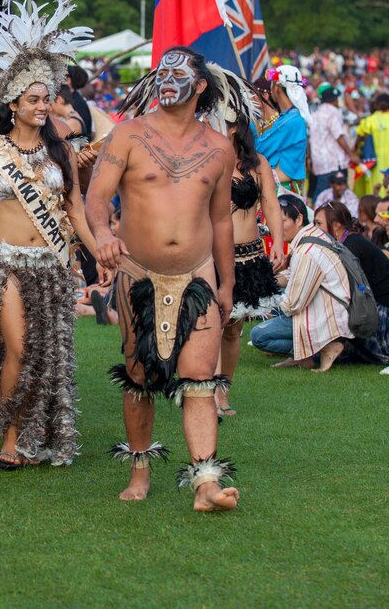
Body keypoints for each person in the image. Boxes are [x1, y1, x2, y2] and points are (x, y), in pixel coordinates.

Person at [0, 0, 109, 468]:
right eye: (33, 99)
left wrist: (101, 255)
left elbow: (75, 212)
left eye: (46, 98)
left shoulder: (61, 153)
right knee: (18, 345)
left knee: (42, 354)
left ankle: (24, 428)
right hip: (2, 261)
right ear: (13, 104)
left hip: (50, 266)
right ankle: (11, 435)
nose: (43, 106)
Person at [86, 46, 239, 512]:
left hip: (198, 276)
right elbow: (97, 198)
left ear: (199, 87)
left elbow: (221, 222)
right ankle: (140, 468)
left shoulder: (219, 148)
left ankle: (206, 484)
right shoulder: (127, 136)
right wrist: (101, 234)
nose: (166, 79)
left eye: (178, 73)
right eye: (162, 72)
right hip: (137, 274)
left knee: (199, 379)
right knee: (140, 375)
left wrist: (227, 283)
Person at [208, 68, 285, 417]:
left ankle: (223, 390)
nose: (221, 129)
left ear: (239, 126)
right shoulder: (206, 162)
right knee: (213, 323)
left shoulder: (258, 164)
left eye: (227, 123)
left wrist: (280, 243)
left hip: (251, 254)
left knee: (233, 328)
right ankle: (203, 389)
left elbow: (271, 203)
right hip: (213, 254)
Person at [313, 202, 389, 369]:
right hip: (382, 312)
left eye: (318, 223)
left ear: (336, 226)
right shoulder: (347, 243)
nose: (314, 229)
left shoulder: (350, 245)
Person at [249, 195, 353, 371]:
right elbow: (289, 277)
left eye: (282, 221)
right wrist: (260, 285)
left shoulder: (307, 251)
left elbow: (293, 304)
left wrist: (258, 304)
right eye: (274, 222)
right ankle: (304, 355)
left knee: (259, 336)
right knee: (268, 301)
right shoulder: (310, 238)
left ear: (299, 219)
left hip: (330, 319)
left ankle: (320, 349)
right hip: (330, 312)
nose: (277, 227)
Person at [254, 65, 311, 194]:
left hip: (281, 189)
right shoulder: (289, 117)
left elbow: (260, 148)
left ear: (277, 88)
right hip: (279, 185)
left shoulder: (291, 121)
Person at [309, 84, 357, 197]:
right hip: (334, 162)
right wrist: (351, 155)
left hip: (320, 162)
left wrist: (309, 158)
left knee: (321, 196)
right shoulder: (333, 113)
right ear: (335, 100)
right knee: (338, 197)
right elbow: (339, 136)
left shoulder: (315, 113)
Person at [355, 93, 389, 194]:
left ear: (376, 105)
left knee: (377, 188)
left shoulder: (369, 120)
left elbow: (359, 138)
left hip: (375, 161)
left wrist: (354, 152)